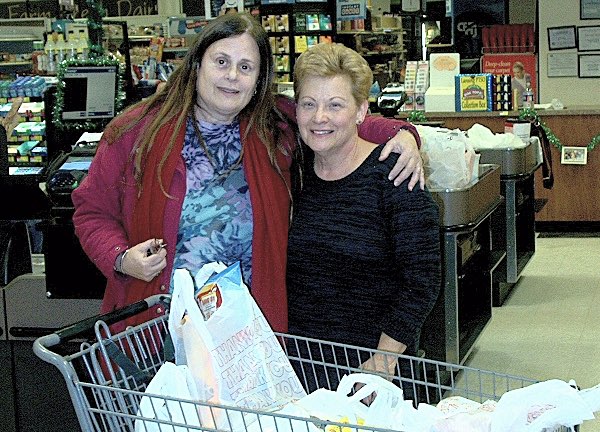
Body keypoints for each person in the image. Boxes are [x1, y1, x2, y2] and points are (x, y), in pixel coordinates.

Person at [71, 12, 424, 335]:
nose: (231, 76)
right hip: (157, 327)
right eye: (221, 62)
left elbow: (333, 120)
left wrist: (404, 134)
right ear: (197, 65)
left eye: (245, 67)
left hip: (249, 333)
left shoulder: (273, 127)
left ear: (259, 80)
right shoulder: (135, 130)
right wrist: (120, 257)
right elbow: (91, 210)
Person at [286, 43, 441, 382]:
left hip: (372, 370)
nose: (319, 117)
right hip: (300, 365)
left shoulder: (395, 176)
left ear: (360, 111)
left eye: (335, 105)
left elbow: (422, 280)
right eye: (309, 104)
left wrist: (382, 363)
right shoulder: (293, 174)